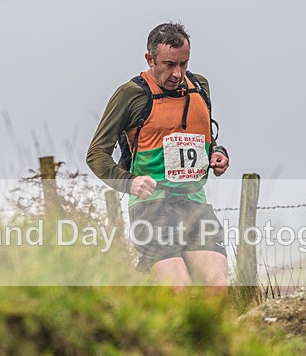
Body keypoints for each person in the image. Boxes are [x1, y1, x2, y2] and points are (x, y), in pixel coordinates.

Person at [86, 22, 229, 291]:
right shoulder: (131, 94)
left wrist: (217, 154)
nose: (177, 73)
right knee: (180, 288)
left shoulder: (200, 87)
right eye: (169, 64)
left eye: (183, 64)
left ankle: (206, 334)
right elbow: (96, 154)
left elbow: (205, 138)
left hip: (194, 203)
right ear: (150, 59)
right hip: (152, 206)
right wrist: (129, 182)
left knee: (217, 286)